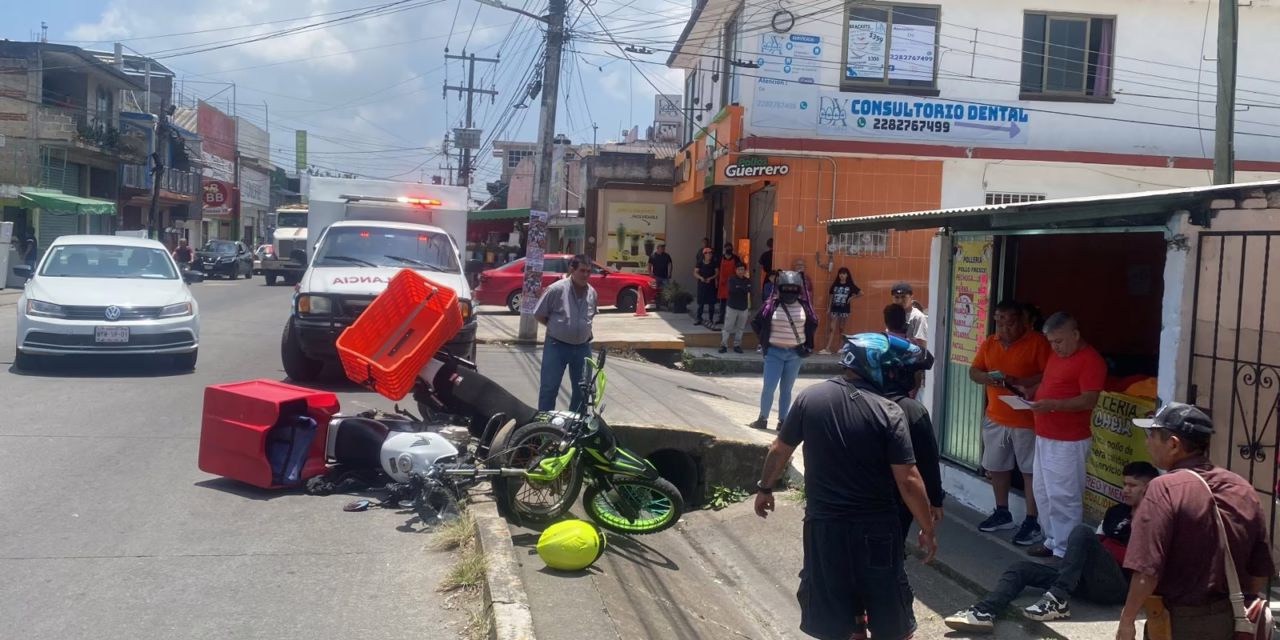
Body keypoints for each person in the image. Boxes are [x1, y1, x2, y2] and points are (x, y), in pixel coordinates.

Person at [752, 332, 937, 640]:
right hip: (876, 531)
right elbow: (908, 480)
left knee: (837, 619)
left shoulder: (810, 398)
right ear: (878, 367)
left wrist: (765, 488)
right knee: (894, 623)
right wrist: (927, 527)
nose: (894, 376)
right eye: (892, 369)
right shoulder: (889, 412)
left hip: (824, 529)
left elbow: (779, 450)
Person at [1117, 403, 1276, 640]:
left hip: (1179, 622)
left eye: (1152, 436)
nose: (1147, 442)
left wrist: (1127, 620)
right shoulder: (1242, 487)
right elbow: (1259, 571)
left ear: (1173, 444)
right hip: (1231, 619)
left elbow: (1146, 570)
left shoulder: (1163, 488)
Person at [946, 462, 1160, 634]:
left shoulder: (1155, 520)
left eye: (1132, 486)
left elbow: (1137, 561)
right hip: (1086, 578)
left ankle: (1057, 600)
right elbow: (1095, 546)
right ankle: (983, 613)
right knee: (1021, 569)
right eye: (1124, 484)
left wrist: (1105, 549)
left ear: (1149, 488)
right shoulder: (1116, 512)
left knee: (1081, 532)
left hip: (1116, 586)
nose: (1125, 490)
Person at [1017, 312, 1106, 559]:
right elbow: (1050, 382)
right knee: (1043, 492)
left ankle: (1066, 552)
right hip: (1046, 435)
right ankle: (1053, 540)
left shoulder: (1090, 360)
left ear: (1075, 335)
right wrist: (1032, 391)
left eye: (1059, 341)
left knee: (1064, 497)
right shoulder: (1057, 356)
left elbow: (1088, 400)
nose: (1055, 347)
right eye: (1051, 342)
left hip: (1068, 440)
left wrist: (1052, 404)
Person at [969, 300, 1053, 546]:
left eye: (1010, 321)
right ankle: (1002, 512)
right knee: (997, 467)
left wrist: (1023, 381)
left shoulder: (1038, 342)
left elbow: (1049, 373)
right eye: (999, 320)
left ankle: (1032, 521)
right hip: (996, 416)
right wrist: (986, 377)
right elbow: (974, 372)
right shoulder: (990, 342)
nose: (1004, 326)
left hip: (1027, 418)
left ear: (1022, 320)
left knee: (1030, 471)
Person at [749, 271, 817, 431]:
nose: (790, 291)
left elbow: (813, 324)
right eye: (786, 288)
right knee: (769, 387)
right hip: (774, 353)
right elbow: (755, 322)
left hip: (795, 354)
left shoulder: (804, 306)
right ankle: (762, 418)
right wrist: (764, 339)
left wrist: (807, 344)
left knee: (786, 389)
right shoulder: (771, 305)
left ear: (799, 289)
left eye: (793, 288)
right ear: (779, 288)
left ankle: (783, 421)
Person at [534, 254, 597, 412]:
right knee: (549, 388)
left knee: (582, 390)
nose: (585, 275)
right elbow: (539, 314)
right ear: (572, 270)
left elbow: (591, 316)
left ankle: (574, 427)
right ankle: (545, 428)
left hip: (583, 348)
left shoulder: (592, 293)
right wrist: (558, 327)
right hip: (557, 346)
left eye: (589, 271)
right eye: (582, 270)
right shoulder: (556, 289)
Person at [884, 304, 932, 399]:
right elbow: (917, 373)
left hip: (883, 396)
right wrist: (912, 396)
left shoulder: (881, 342)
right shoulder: (912, 344)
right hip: (905, 397)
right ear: (904, 321)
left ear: (886, 321)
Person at [820, 267, 862, 355]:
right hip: (835, 308)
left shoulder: (850, 285)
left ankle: (841, 348)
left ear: (847, 275)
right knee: (832, 328)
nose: (842, 275)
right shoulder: (835, 284)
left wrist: (851, 297)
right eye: (840, 273)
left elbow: (861, 293)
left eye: (844, 273)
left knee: (842, 328)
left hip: (844, 309)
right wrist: (829, 307)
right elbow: (831, 295)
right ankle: (827, 348)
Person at [720, 262, 750, 354]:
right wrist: (743, 288)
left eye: (742, 269)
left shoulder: (748, 280)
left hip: (743, 308)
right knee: (727, 327)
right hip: (732, 307)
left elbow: (749, 289)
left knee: (740, 328)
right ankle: (723, 345)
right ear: (736, 270)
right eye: (739, 269)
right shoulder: (731, 279)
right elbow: (732, 289)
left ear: (745, 271)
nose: (741, 271)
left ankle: (737, 345)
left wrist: (739, 287)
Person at [891, 282, 928, 349]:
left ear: (911, 298)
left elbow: (921, 345)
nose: (900, 301)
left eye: (903, 297)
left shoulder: (918, 317)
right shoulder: (893, 315)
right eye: (896, 297)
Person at [716, 244, 742, 326]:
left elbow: (740, 270)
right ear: (724, 249)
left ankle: (732, 319)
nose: (728, 250)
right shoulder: (720, 258)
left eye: (730, 248)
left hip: (733, 282)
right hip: (723, 283)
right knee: (723, 302)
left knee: (732, 302)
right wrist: (716, 281)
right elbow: (717, 271)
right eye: (727, 248)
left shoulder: (736, 258)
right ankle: (721, 318)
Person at [693, 248, 718, 327]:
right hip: (702, 285)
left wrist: (711, 278)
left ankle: (711, 319)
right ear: (704, 254)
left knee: (711, 304)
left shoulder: (714, 263)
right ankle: (699, 318)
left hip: (711, 285)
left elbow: (717, 273)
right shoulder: (700, 263)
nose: (710, 255)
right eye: (708, 253)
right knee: (701, 304)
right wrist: (700, 277)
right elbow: (695, 272)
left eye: (711, 253)